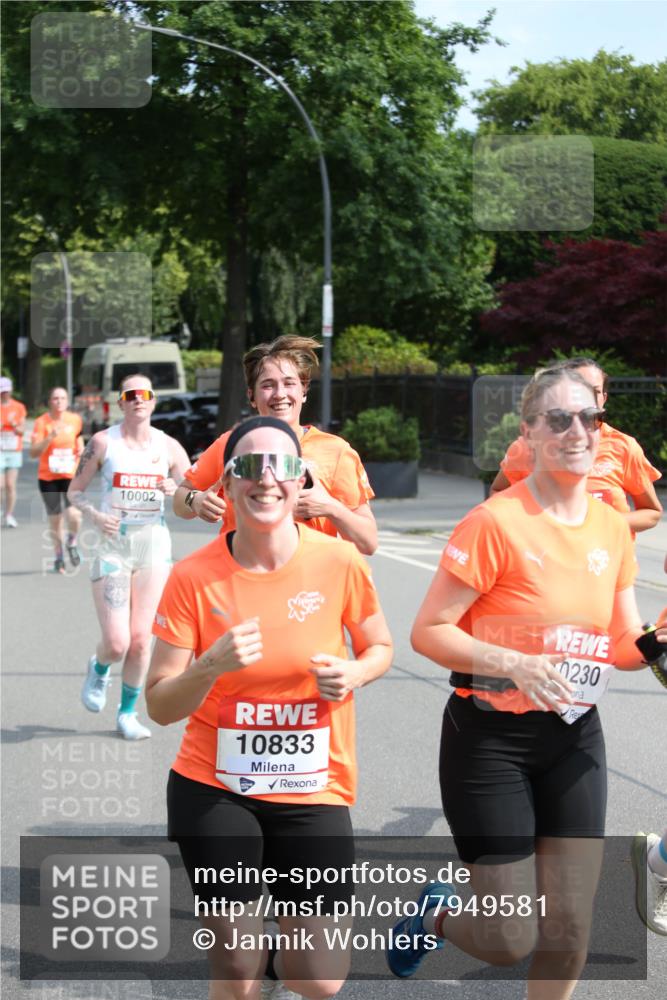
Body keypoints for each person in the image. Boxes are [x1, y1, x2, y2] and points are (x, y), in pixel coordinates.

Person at [387, 366, 665, 998]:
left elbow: (620, 641)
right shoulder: (495, 522)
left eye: (589, 418)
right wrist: (512, 662)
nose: (577, 431)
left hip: (574, 738)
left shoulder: (611, 526)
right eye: (558, 419)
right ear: (529, 433)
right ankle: (435, 915)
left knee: (570, 930)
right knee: (510, 938)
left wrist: (655, 645)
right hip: (490, 743)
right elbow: (429, 631)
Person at [147, 415, 392, 1000]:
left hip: (312, 788)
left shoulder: (340, 563)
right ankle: (250, 963)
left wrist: (356, 671)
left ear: (300, 478)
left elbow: (380, 646)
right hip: (215, 787)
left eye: (280, 466)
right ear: (227, 484)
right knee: (236, 964)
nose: (266, 479)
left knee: (320, 979)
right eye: (248, 467)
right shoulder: (192, 577)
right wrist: (207, 667)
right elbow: (158, 703)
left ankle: (279, 959)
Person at [173, 335, 377, 555]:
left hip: (310, 574)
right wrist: (195, 501)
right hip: (240, 571)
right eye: (268, 385)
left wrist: (331, 507)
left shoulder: (336, 452)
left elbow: (368, 543)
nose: (280, 394)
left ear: (303, 391)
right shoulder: (231, 444)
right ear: (252, 396)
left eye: (289, 383)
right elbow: (179, 499)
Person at [67, 374, 189, 741]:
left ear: (153, 401)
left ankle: (127, 713)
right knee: (117, 642)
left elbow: (192, 494)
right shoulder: (103, 442)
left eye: (145, 393)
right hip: (113, 547)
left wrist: (175, 488)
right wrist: (96, 516)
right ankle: (100, 665)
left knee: (140, 640)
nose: (138, 399)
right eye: (130, 394)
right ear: (121, 403)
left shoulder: (169, 446)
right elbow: (74, 492)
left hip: (153, 546)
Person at [490, 357, 662, 534]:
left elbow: (652, 512)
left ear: (604, 398)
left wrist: (607, 522)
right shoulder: (529, 445)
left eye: (594, 391)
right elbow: (498, 492)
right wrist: (526, 525)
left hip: (606, 551)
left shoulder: (623, 446)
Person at [31, 386, 84, 572]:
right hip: (48, 478)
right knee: (56, 520)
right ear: (49, 402)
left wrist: (81, 447)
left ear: (67, 401)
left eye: (62, 398)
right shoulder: (41, 422)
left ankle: (72, 541)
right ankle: (59, 556)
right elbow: (33, 452)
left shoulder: (75, 419)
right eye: (55, 398)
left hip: (70, 475)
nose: (59, 401)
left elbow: (78, 437)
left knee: (75, 515)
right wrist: (50, 437)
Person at [0, 376, 27, 527]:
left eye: (6, 391)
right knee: (0, 486)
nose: (4, 394)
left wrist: (14, 424)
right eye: (1, 391)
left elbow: (22, 430)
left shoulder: (19, 407)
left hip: (14, 451)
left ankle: (9, 515)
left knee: (10, 485)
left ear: (10, 391)